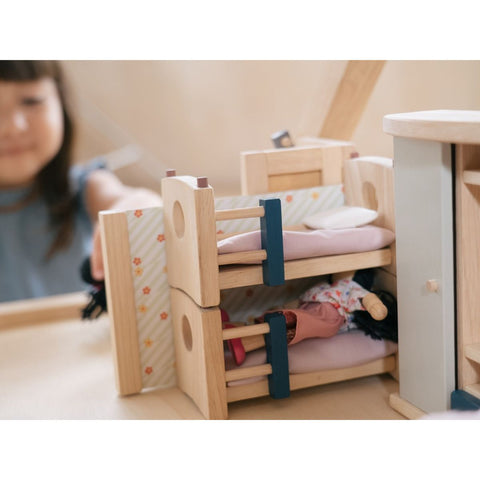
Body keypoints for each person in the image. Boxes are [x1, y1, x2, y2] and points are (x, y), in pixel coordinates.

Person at [0, 60, 162, 302]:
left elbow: (139, 202)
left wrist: (133, 211)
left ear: (61, 102)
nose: (13, 126)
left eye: (31, 101)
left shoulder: (84, 187)